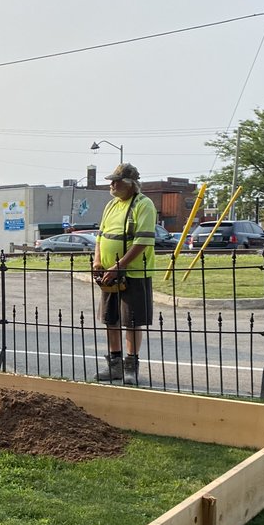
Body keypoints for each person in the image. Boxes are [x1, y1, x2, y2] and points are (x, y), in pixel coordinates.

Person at [92, 163, 157, 385]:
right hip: (109, 273)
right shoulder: (111, 205)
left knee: (132, 320)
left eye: (116, 181)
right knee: (111, 319)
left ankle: (131, 365)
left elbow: (142, 241)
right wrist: (98, 260)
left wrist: (119, 265)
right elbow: (100, 236)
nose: (112, 185)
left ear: (130, 184)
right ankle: (114, 365)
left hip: (134, 272)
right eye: (112, 181)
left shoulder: (143, 204)